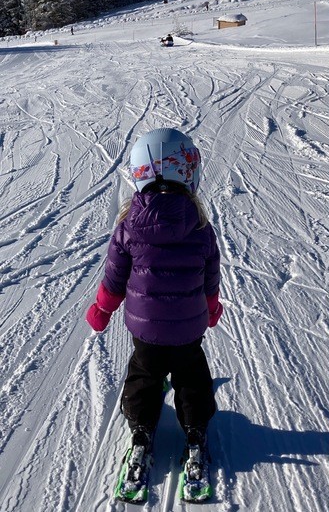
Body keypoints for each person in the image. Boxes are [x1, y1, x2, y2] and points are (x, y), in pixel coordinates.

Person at [85, 128, 222, 470]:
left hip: (145, 330)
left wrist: (102, 309)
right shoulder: (201, 225)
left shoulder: (129, 225)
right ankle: (195, 432)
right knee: (191, 376)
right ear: (190, 173)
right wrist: (211, 309)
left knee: (145, 374)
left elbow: (114, 278)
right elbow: (210, 278)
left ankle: (141, 432)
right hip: (189, 328)